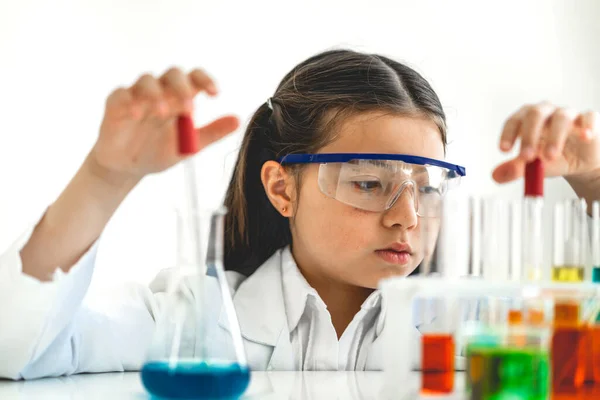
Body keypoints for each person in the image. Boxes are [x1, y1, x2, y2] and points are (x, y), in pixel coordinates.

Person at [0, 49, 598, 379]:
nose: (407, 218)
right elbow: (17, 348)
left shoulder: (482, 328)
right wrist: (106, 178)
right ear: (282, 189)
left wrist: (594, 183)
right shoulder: (194, 321)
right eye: (369, 182)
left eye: (428, 187)